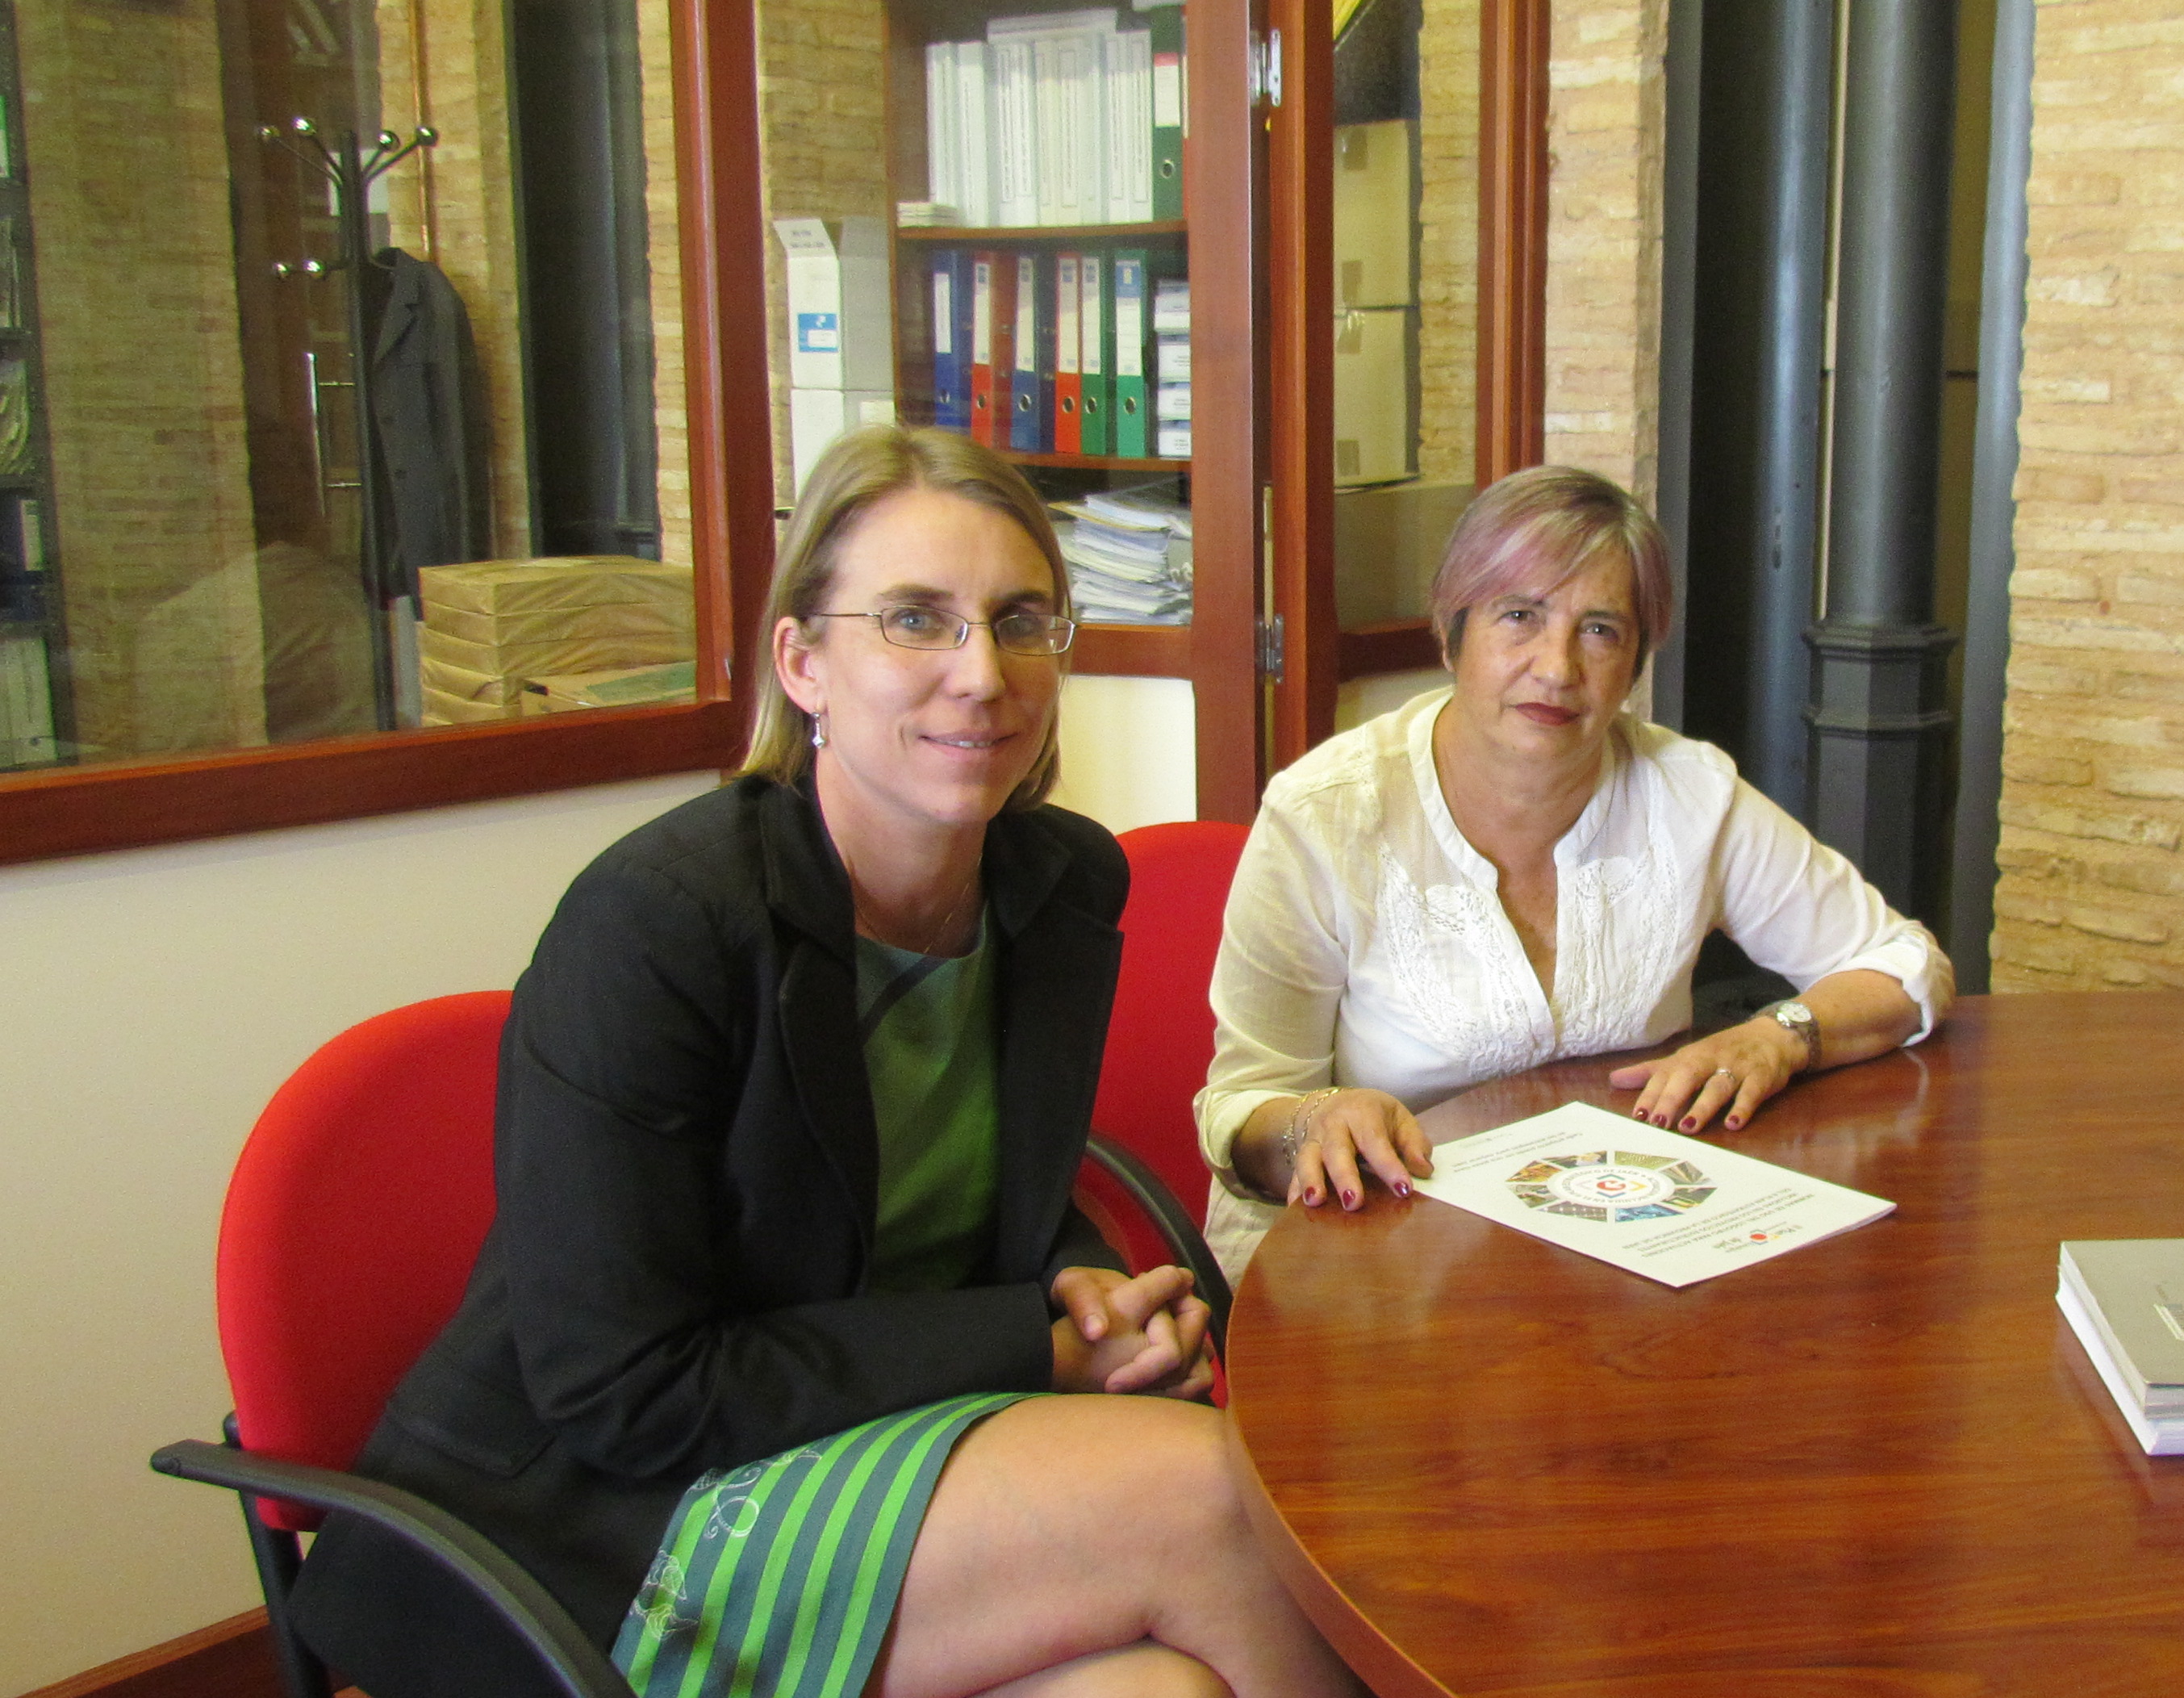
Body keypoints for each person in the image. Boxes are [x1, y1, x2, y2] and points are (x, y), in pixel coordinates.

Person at [289, 426, 1355, 1698]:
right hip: (606, 1519)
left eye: (1020, 621)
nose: (982, 674)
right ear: (804, 662)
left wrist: (1083, 1297)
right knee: (1219, 1503)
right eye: (916, 620)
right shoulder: (659, 921)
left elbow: (989, 1205)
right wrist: (1029, 1344)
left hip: (874, 1428)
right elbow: (627, 1390)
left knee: (1156, 1692)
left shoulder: (1058, 883)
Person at [1193, 465, 1952, 1278]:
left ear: (1635, 663)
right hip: (1384, 1266)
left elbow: (1905, 965)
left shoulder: (1689, 793)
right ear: (1451, 635)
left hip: (1624, 1256)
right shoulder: (1326, 814)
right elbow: (1241, 1104)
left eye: (1600, 630)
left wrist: (1781, 1035)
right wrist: (1312, 1122)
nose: (1557, 667)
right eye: (1519, 616)